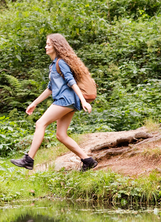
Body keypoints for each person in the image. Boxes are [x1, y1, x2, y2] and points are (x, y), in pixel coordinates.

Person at [10, 33, 97, 172]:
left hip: (65, 100)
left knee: (40, 123)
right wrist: (34, 103)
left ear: (56, 46)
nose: (46, 46)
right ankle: (87, 160)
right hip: (68, 101)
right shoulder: (54, 64)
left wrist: (83, 101)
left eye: (48, 44)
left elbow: (72, 82)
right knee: (61, 135)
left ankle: (29, 159)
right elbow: (50, 88)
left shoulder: (60, 62)